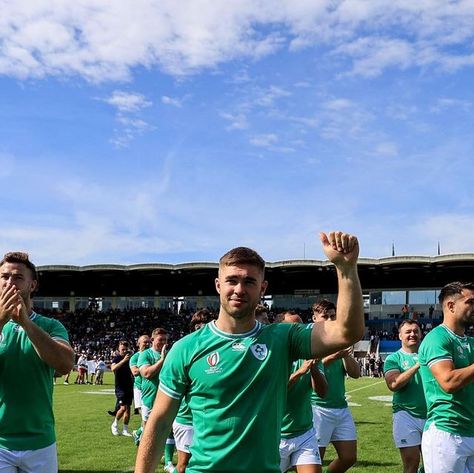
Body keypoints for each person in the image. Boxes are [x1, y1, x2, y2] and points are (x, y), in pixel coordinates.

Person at [134, 230, 364, 473]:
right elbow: (158, 424)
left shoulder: (283, 338)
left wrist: (346, 268)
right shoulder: (186, 348)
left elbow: (346, 332)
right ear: (218, 284)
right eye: (232, 280)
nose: (239, 289)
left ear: (262, 287)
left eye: (249, 282)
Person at [0, 251, 74, 472]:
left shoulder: (51, 326)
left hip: (40, 442)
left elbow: (64, 364)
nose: (9, 282)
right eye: (4, 277)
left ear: (32, 286)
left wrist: (26, 324)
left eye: (18, 277)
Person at [418, 281, 474, 473]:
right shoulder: (437, 338)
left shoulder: (471, 342)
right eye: (470, 302)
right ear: (450, 306)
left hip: (470, 430)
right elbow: (448, 382)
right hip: (447, 433)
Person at [311, 299, 360, 473]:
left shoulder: (340, 341)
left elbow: (355, 373)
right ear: (315, 318)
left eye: (333, 316)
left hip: (341, 407)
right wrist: (333, 357)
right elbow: (312, 366)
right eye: (325, 316)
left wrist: (345, 354)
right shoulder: (310, 341)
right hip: (318, 408)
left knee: (349, 457)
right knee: (315, 461)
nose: (331, 320)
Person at [280, 312, 328, 473]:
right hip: (275, 435)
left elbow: (322, 392)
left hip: (304, 432)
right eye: (294, 327)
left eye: (301, 326)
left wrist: (313, 368)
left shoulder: (310, 354)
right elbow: (275, 392)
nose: (299, 330)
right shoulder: (273, 356)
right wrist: (299, 373)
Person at [172, 309, 216, 473]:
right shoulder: (185, 350)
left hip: (208, 421)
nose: (204, 332)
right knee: (184, 465)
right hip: (187, 420)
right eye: (199, 328)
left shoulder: (217, 351)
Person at [384, 320, 426, 473]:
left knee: (435, 464)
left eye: (416, 331)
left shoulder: (431, 356)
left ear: (421, 334)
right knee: (411, 464)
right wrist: (417, 365)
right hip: (406, 415)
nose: (412, 334)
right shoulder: (393, 358)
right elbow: (393, 384)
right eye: (408, 332)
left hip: (432, 415)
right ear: (400, 335)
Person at [111, 340, 134, 437]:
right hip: (120, 387)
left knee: (128, 409)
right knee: (123, 408)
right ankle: (114, 424)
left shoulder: (131, 359)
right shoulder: (117, 358)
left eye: (125, 349)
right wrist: (123, 360)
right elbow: (113, 368)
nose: (124, 351)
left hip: (129, 386)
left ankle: (125, 429)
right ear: (118, 349)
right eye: (122, 349)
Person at [129, 334, 151, 415]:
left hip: (151, 387)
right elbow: (134, 372)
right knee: (142, 412)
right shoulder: (135, 357)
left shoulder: (152, 354)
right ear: (138, 344)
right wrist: (148, 369)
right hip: (139, 388)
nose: (147, 344)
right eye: (145, 342)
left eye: (149, 342)